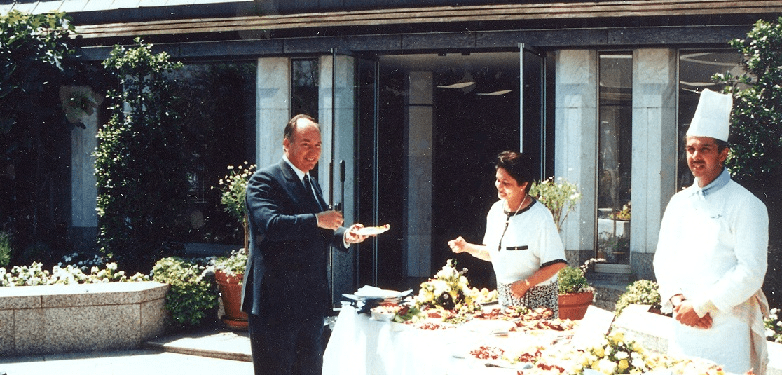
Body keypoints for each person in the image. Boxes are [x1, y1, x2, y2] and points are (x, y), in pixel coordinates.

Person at [240, 114, 370, 375]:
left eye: (318, 145)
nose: (313, 152)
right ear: (286, 145)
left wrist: (346, 235)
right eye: (306, 144)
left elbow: (322, 228)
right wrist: (317, 220)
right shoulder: (264, 181)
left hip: (309, 302)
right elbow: (271, 225)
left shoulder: (310, 183)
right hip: (275, 304)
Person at [653, 89, 769, 375]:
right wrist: (680, 303)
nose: (696, 156)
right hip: (683, 324)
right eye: (691, 149)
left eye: (705, 148)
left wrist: (702, 306)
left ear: (723, 153)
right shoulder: (679, 202)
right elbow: (663, 258)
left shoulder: (746, 204)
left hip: (726, 327)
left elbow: (752, 270)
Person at [448, 151, 568, 315]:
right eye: (498, 180)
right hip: (506, 297)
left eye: (506, 182)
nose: (499, 186)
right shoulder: (496, 211)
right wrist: (466, 247)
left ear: (523, 184)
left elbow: (557, 263)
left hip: (538, 300)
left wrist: (526, 284)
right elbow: (494, 253)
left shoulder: (540, 217)